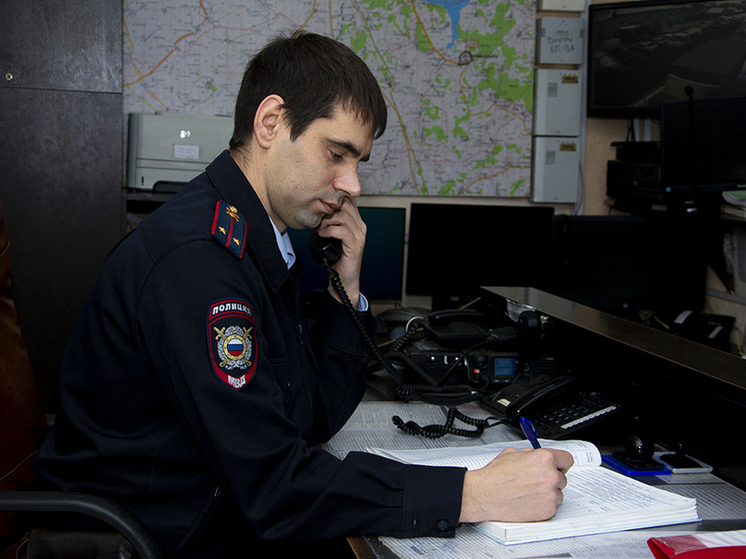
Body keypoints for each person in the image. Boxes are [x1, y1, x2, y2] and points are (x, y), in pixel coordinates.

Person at [36, 30, 572, 557]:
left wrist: (348, 286)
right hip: (156, 537)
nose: (353, 184)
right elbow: (276, 488)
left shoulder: (256, 242)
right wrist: (470, 493)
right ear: (271, 122)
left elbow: (308, 419)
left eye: (358, 161)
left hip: (206, 510)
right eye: (337, 154)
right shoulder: (198, 261)